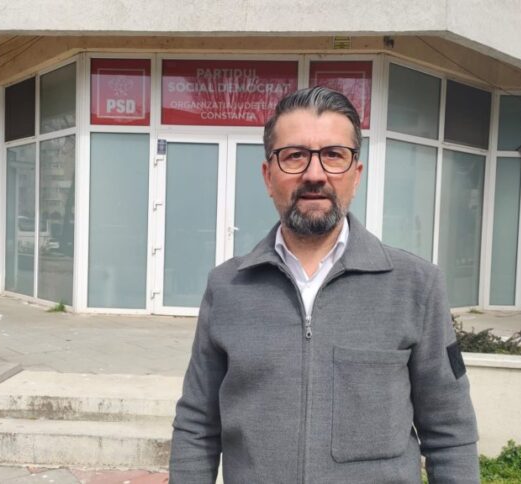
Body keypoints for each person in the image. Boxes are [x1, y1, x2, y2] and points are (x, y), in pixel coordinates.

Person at [169, 86, 479, 483]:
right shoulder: (227, 287)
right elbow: (197, 424)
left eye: (333, 155)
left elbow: (450, 433)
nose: (314, 174)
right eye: (294, 155)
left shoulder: (416, 286)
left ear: (356, 174)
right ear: (268, 176)